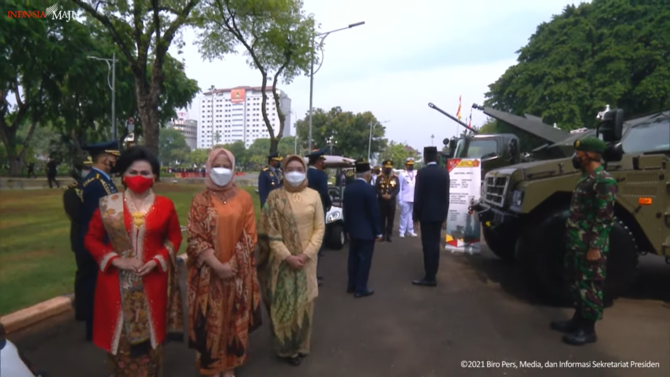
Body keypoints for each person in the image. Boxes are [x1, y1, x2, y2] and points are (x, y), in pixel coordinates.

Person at [83, 146, 184, 376]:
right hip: (115, 284)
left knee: (152, 339)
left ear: (155, 176)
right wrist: (116, 260)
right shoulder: (109, 205)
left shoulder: (165, 205)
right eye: (133, 171)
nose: (139, 177)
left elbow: (174, 237)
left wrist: (158, 260)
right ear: (123, 175)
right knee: (121, 340)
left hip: (153, 282)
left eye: (146, 173)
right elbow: (91, 238)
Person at [186, 148, 262, 377]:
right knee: (210, 320)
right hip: (208, 274)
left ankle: (229, 366)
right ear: (208, 167)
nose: (222, 170)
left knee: (233, 318)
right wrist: (217, 265)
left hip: (238, 274)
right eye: (217, 165)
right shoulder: (200, 200)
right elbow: (195, 237)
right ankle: (212, 367)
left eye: (226, 166)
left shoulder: (244, 198)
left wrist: (232, 265)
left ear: (233, 169)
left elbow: (250, 235)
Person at [257, 154, 325, 366]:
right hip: (281, 264)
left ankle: (301, 345)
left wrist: (305, 255)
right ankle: (285, 348)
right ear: (284, 172)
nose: (294, 172)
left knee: (304, 305)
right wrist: (287, 256)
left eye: (299, 169)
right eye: (290, 169)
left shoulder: (314, 196)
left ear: (305, 171)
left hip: (307, 262)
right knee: (283, 305)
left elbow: (320, 228)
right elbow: (269, 232)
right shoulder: (274, 198)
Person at [550, 137, 617, 346]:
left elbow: (604, 218)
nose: (576, 156)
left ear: (588, 154)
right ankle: (577, 321)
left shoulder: (604, 181)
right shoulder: (586, 177)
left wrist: (595, 246)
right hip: (578, 242)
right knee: (577, 283)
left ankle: (588, 330)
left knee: (590, 286)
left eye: (579, 153)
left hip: (590, 245)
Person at [77, 140, 120, 341]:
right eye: (113, 157)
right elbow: (99, 219)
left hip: (100, 244)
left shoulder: (101, 180)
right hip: (98, 245)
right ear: (105, 159)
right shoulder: (97, 184)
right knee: (95, 289)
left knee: (97, 288)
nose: (115, 161)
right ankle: (94, 332)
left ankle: (98, 328)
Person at [343, 158, 382, 298]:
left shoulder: (348, 188)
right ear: (367, 174)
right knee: (364, 260)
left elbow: (345, 211)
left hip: (352, 230)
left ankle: (351, 285)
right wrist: (378, 231)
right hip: (367, 232)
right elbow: (374, 212)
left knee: (352, 259)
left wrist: (346, 229)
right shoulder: (369, 189)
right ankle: (361, 288)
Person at [412, 146, 450, 287]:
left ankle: (429, 277)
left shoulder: (422, 173)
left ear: (425, 157)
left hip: (426, 215)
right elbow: (446, 197)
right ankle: (433, 273)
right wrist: (445, 216)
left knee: (427, 246)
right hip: (439, 215)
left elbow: (418, 196)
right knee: (435, 245)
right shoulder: (444, 173)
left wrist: (415, 217)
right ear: (437, 157)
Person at [63, 157, 92, 321]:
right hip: (82, 239)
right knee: (84, 275)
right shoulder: (72, 191)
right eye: (85, 168)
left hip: (100, 238)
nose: (88, 171)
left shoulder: (97, 187)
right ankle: (82, 311)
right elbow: (77, 216)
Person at [306, 147, 332, 286]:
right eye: (322, 160)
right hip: (317, 211)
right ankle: (313, 276)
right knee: (316, 244)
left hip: (305, 211)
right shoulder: (321, 176)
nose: (323, 162)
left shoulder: (306, 173)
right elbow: (323, 193)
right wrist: (329, 203)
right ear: (318, 162)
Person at [375, 160, 399, 242]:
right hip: (381, 201)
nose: (388, 169)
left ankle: (389, 235)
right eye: (386, 168)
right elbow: (376, 188)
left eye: (389, 168)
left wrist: (391, 196)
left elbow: (397, 189)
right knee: (381, 219)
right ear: (383, 168)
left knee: (390, 219)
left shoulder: (395, 178)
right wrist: (382, 195)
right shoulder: (379, 177)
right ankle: (382, 235)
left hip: (391, 201)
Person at [398, 157, 418, 238]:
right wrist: (399, 200)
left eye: (411, 165)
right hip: (405, 197)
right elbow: (399, 188)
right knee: (404, 215)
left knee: (411, 215)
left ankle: (410, 230)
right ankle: (402, 231)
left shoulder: (416, 173)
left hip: (413, 198)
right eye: (409, 165)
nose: (410, 166)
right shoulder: (402, 174)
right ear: (406, 165)